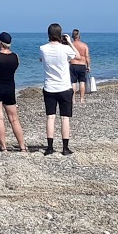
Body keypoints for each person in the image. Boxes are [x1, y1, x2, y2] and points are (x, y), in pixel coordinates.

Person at [0, 32, 27, 154]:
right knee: (14, 119)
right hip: (9, 88)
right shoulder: (15, 57)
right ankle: (22, 146)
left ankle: (4, 147)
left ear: (0, 43)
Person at [38, 24, 78, 156]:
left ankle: (49, 147)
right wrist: (70, 42)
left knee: (50, 117)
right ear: (60, 34)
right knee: (65, 118)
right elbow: (77, 56)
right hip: (64, 87)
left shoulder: (43, 48)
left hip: (49, 87)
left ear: (48, 34)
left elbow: (41, 59)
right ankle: (65, 148)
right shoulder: (65, 49)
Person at [70, 29, 91, 103]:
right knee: (82, 82)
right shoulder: (84, 45)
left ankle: (73, 99)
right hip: (82, 65)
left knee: (73, 83)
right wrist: (88, 66)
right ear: (79, 36)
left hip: (73, 65)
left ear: (72, 36)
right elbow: (87, 57)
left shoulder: (71, 45)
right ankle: (82, 99)